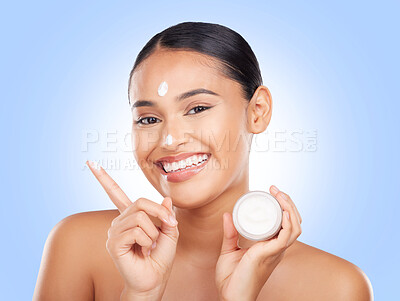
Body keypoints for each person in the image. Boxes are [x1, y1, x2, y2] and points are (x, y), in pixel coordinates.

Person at [33, 21, 373, 300]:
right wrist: (140, 294)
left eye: (197, 109)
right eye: (149, 119)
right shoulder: (80, 246)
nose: (169, 139)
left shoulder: (334, 287)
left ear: (258, 111)